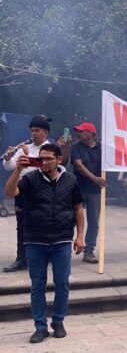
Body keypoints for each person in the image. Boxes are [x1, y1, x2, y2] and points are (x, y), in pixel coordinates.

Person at [3, 144, 84, 343]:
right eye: (41, 158)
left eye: (49, 158)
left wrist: (80, 235)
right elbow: (9, 192)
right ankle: (40, 326)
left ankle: (58, 321)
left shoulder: (70, 180)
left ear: (59, 159)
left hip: (62, 240)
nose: (44, 162)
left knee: (62, 283)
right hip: (34, 240)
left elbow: (78, 209)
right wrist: (18, 170)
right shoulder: (30, 179)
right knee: (37, 285)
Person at [2, 115, 56, 272]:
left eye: (37, 131)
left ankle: (45, 256)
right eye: (32, 130)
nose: (33, 134)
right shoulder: (25, 147)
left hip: (42, 191)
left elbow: (45, 165)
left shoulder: (50, 149)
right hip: (23, 191)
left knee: (42, 225)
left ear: (45, 132)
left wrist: (27, 156)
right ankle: (21, 258)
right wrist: (8, 157)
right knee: (22, 225)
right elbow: (9, 167)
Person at [70, 122, 104, 264]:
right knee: (70, 219)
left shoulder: (102, 148)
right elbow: (78, 164)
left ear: (90, 133)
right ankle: (64, 247)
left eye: (82, 131)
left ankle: (89, 250)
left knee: (94, 221)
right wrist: (94, 178)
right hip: (78, 187)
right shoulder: (76, 146)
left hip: (96, 190)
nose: (79, 134)